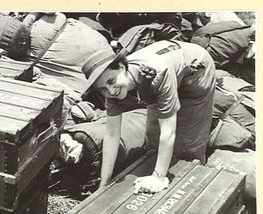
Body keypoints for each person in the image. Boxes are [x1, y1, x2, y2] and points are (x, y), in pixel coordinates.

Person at [82, 40, 216, 194]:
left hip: (195, 70)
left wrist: (159, 178)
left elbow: (168, 131)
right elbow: (112, 135)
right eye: (103, 89)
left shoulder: (157, 73)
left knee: (188, 146)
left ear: (121, 67)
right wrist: (103, 185)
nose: (111, 91)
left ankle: (194, 191)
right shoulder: (112, 90)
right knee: (153, 138)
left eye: (112, 81)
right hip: (163, 73)